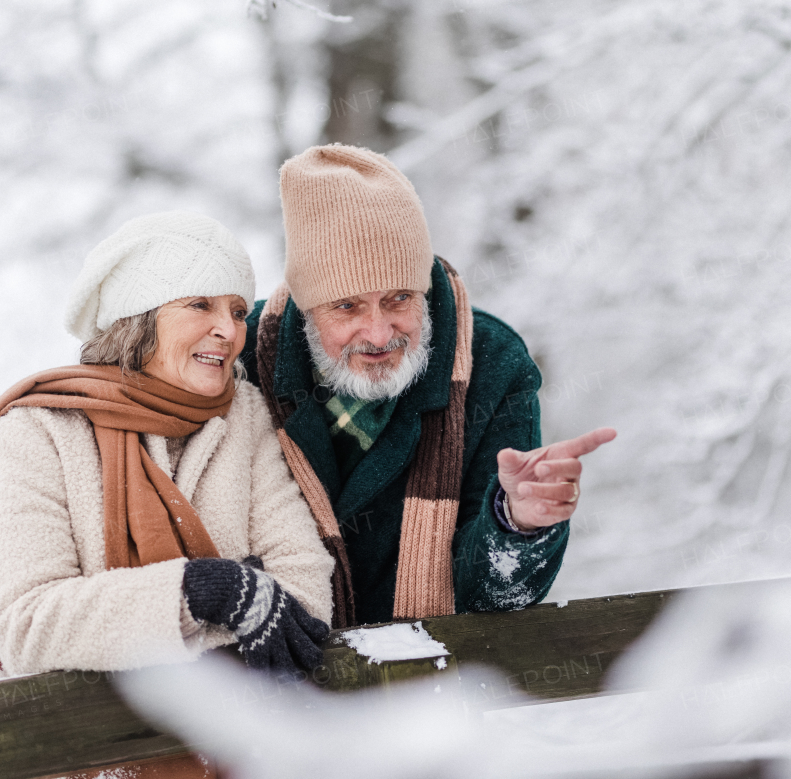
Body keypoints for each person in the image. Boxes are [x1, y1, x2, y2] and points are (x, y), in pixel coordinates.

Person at [0, 212, 334, 705]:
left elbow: (306, 601)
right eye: (201, 304)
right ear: (139, 316)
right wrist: (208, 591)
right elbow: (26, 627)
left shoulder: (247, 417)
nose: (228, 329)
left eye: (238, 311)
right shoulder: (40, 429)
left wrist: (117, 625)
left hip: (241, 746)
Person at [240, 144, 617, 627]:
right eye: (347, 307)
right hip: (268, 687)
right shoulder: (241, 354)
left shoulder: (493, 365)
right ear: (308, 308)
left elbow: (495, 601)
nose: (378, 333)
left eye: (399, 299)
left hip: (429, 687)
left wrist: (517, 524)